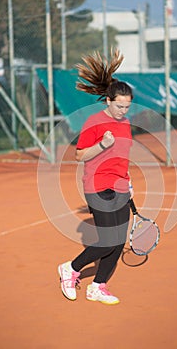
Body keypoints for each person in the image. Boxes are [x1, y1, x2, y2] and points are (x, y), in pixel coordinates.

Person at [58, 49, 134, 305]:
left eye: (127, 106)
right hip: (97, 185)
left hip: (120, 186)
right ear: (108, 101)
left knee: (118, 240)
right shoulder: (94, 122)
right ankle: (71, 267)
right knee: (109, 240)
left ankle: (98, 286)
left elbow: (122, 157)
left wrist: (128, 181)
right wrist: (102, 145)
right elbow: (80, 156)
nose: (123, 110)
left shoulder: (124, 123)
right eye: (119, 105)